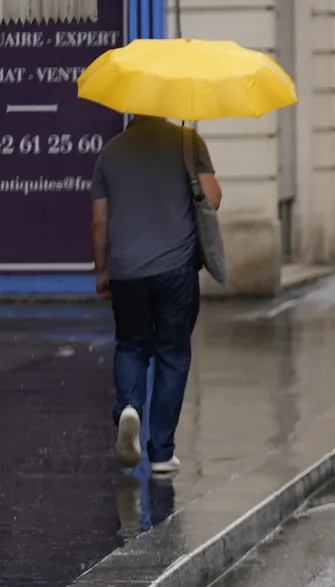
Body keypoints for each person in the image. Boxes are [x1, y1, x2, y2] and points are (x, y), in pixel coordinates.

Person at [90, 115, 221, 476]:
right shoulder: (188, 142)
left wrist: (102, 271)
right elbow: (212, 200)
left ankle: (130, 408)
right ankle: (162, 452)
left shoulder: (109, 154)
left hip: (126, 270)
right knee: (173, 354)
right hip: (176, 269)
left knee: (131, 345)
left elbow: (99, 223)